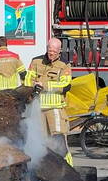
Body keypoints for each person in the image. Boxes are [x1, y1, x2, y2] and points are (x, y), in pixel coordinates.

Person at [25, 37, 73, 165]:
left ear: (59, 51)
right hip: (38, 108)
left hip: (55, 108)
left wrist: (45, 85)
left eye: (54, 52)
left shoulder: (64, 65)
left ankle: (69, 170)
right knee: (41, 141)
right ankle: (46, 171)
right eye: (49, 50)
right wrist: (32, 87)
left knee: (59, 141)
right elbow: (28, 80)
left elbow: (65, 85)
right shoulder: (36, 61)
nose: (51, 54)